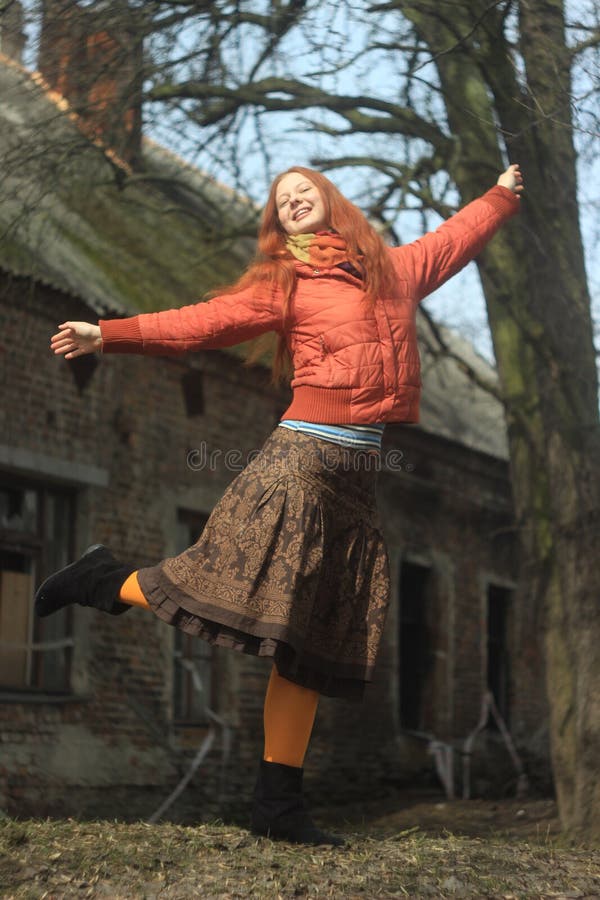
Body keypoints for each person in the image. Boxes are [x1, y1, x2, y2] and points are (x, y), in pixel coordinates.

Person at [36, 163, 524, 845]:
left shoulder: (393, 271)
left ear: (330, 204)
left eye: (305, 193)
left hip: (357, 476)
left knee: (311, 639)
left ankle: (279, 811)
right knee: (225, 584)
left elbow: (453, 239)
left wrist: (500, 197)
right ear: (279, 220)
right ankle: (100, 581)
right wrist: (109, 333)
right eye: (283, 200)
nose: (294, 202)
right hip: (301, 458)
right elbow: (204, 322)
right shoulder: (284, 281)